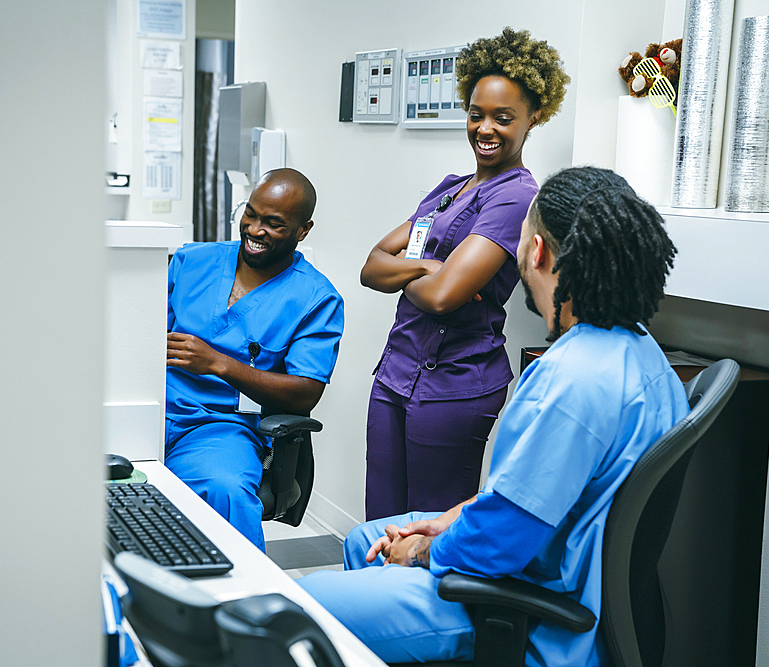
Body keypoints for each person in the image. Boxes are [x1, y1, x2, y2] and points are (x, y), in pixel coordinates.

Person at [299, 166, 689, 665]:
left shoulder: (569, 381)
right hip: (548, 560)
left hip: (529, 605)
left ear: (538, 252)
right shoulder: (643, 354)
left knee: (305, 608)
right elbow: (524, 499)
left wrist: (422, 551)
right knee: (365, 539)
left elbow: (502, 540)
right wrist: (444, 521)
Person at [358, 27, 571, 521]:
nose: (485, 128)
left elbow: (443, 297)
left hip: (454, 385)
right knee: (382, 521)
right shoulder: (450, 189)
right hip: (396, 374)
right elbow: (371, 265)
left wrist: (421, 274)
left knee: (427, 533)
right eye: (477, 114)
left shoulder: (515, 196)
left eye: (503, 117)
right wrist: (429, 266)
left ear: (533, 118)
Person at [164, 168, 343, 551]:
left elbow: (305, 393)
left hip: (217, 427)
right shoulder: (191, 261)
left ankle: (241, 603)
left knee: (225, 489)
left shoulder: (316, 298)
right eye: (252, 214)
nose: (255, 230)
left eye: (274, 224)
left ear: (302, 231)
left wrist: (219, 363)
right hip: (151, 409)